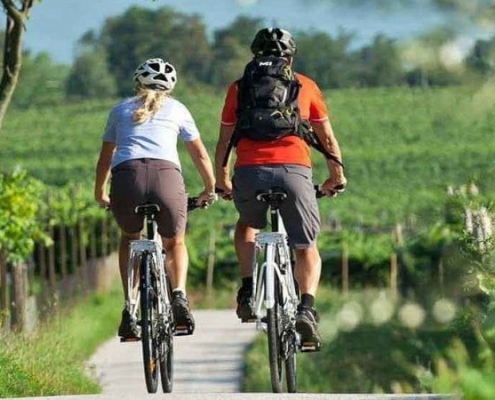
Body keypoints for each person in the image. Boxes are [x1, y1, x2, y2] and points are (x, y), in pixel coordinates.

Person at [214, 28, 347, 349]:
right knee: (306, 245)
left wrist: (222, 180)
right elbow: (326, 139)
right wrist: (336, 176)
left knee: (246, 224)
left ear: (254, 55)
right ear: (290, 57)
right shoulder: (305, 85)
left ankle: (247, 290)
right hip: (295, 172)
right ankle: (307, 308)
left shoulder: (239, 88)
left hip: (249, 172)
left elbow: (224, 141)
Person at [94, 58, 216, 340]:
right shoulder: (178, 109)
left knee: (129, 238)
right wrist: (210, 187)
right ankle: (179, 296)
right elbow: (199, 154)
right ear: (170, 88)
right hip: (166, 178)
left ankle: (130, 308)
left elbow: (104, 159)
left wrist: (100, 192)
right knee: (175, 242)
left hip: (127, 179)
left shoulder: (120, 110)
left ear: (138, 83)